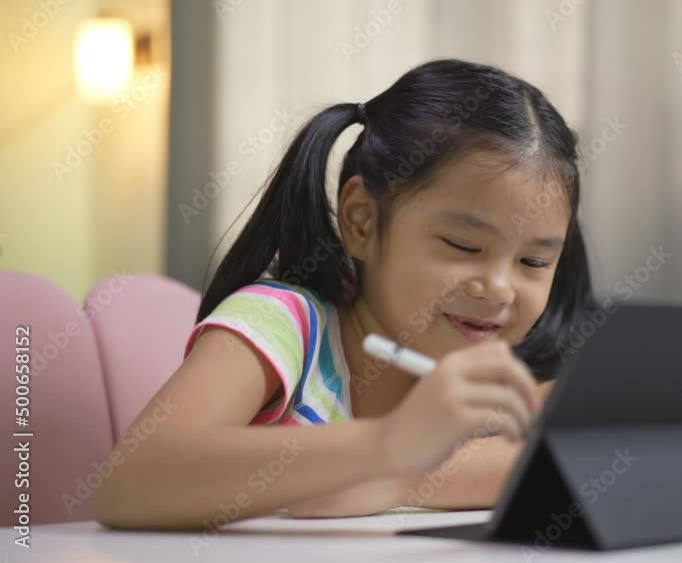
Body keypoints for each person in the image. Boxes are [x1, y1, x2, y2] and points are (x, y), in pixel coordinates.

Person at [92, 58, 595, 530]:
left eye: (534, 262)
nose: (499, 288)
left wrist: (402, 476)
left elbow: (591, 463)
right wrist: (389, 445)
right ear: (362, 219)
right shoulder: (283, 324)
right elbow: (131, 485)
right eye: (463, 245)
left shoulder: (502, 378)